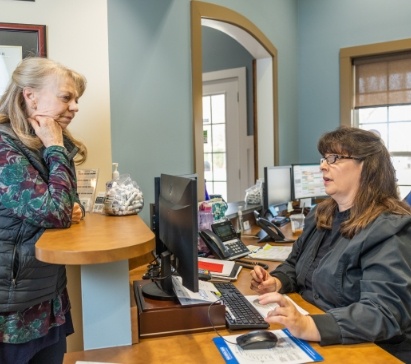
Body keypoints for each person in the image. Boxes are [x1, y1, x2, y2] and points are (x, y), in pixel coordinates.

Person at [250, 126, 411, 363]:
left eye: (334, 158)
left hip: (373, 350)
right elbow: (295, 264)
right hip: (321, 337)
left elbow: (384, 313)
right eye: (324, 158)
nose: (323, 166)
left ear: (366, 166)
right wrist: (277, 281)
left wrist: (308, 325)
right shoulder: (321, 214)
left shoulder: (390, 229)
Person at [0, 57, 87, 364]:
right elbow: (56, 212)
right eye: (66, 97)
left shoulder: (44, 143)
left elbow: (72, 204)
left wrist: (70, 208)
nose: (75, 107)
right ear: (30, 95)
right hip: (12, 312)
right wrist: (55, 146)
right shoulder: (4, 148)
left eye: (77, 99)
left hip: (49, 298)